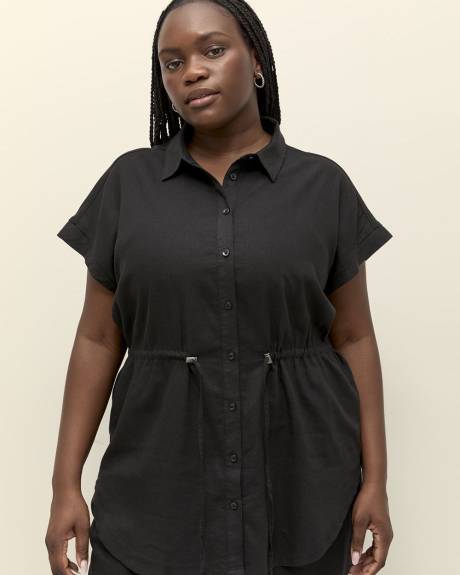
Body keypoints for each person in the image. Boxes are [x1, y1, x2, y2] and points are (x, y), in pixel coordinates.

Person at [45, 1, 394, 574]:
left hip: (302, 493)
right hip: (154, 497)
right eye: (172, 62)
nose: (192, 72)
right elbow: (98, 339)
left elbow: (354, 337)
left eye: (213, 50)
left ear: (255, 59)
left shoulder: (323, 186)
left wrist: (376, 481)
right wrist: (65, 486)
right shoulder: (128, 184)